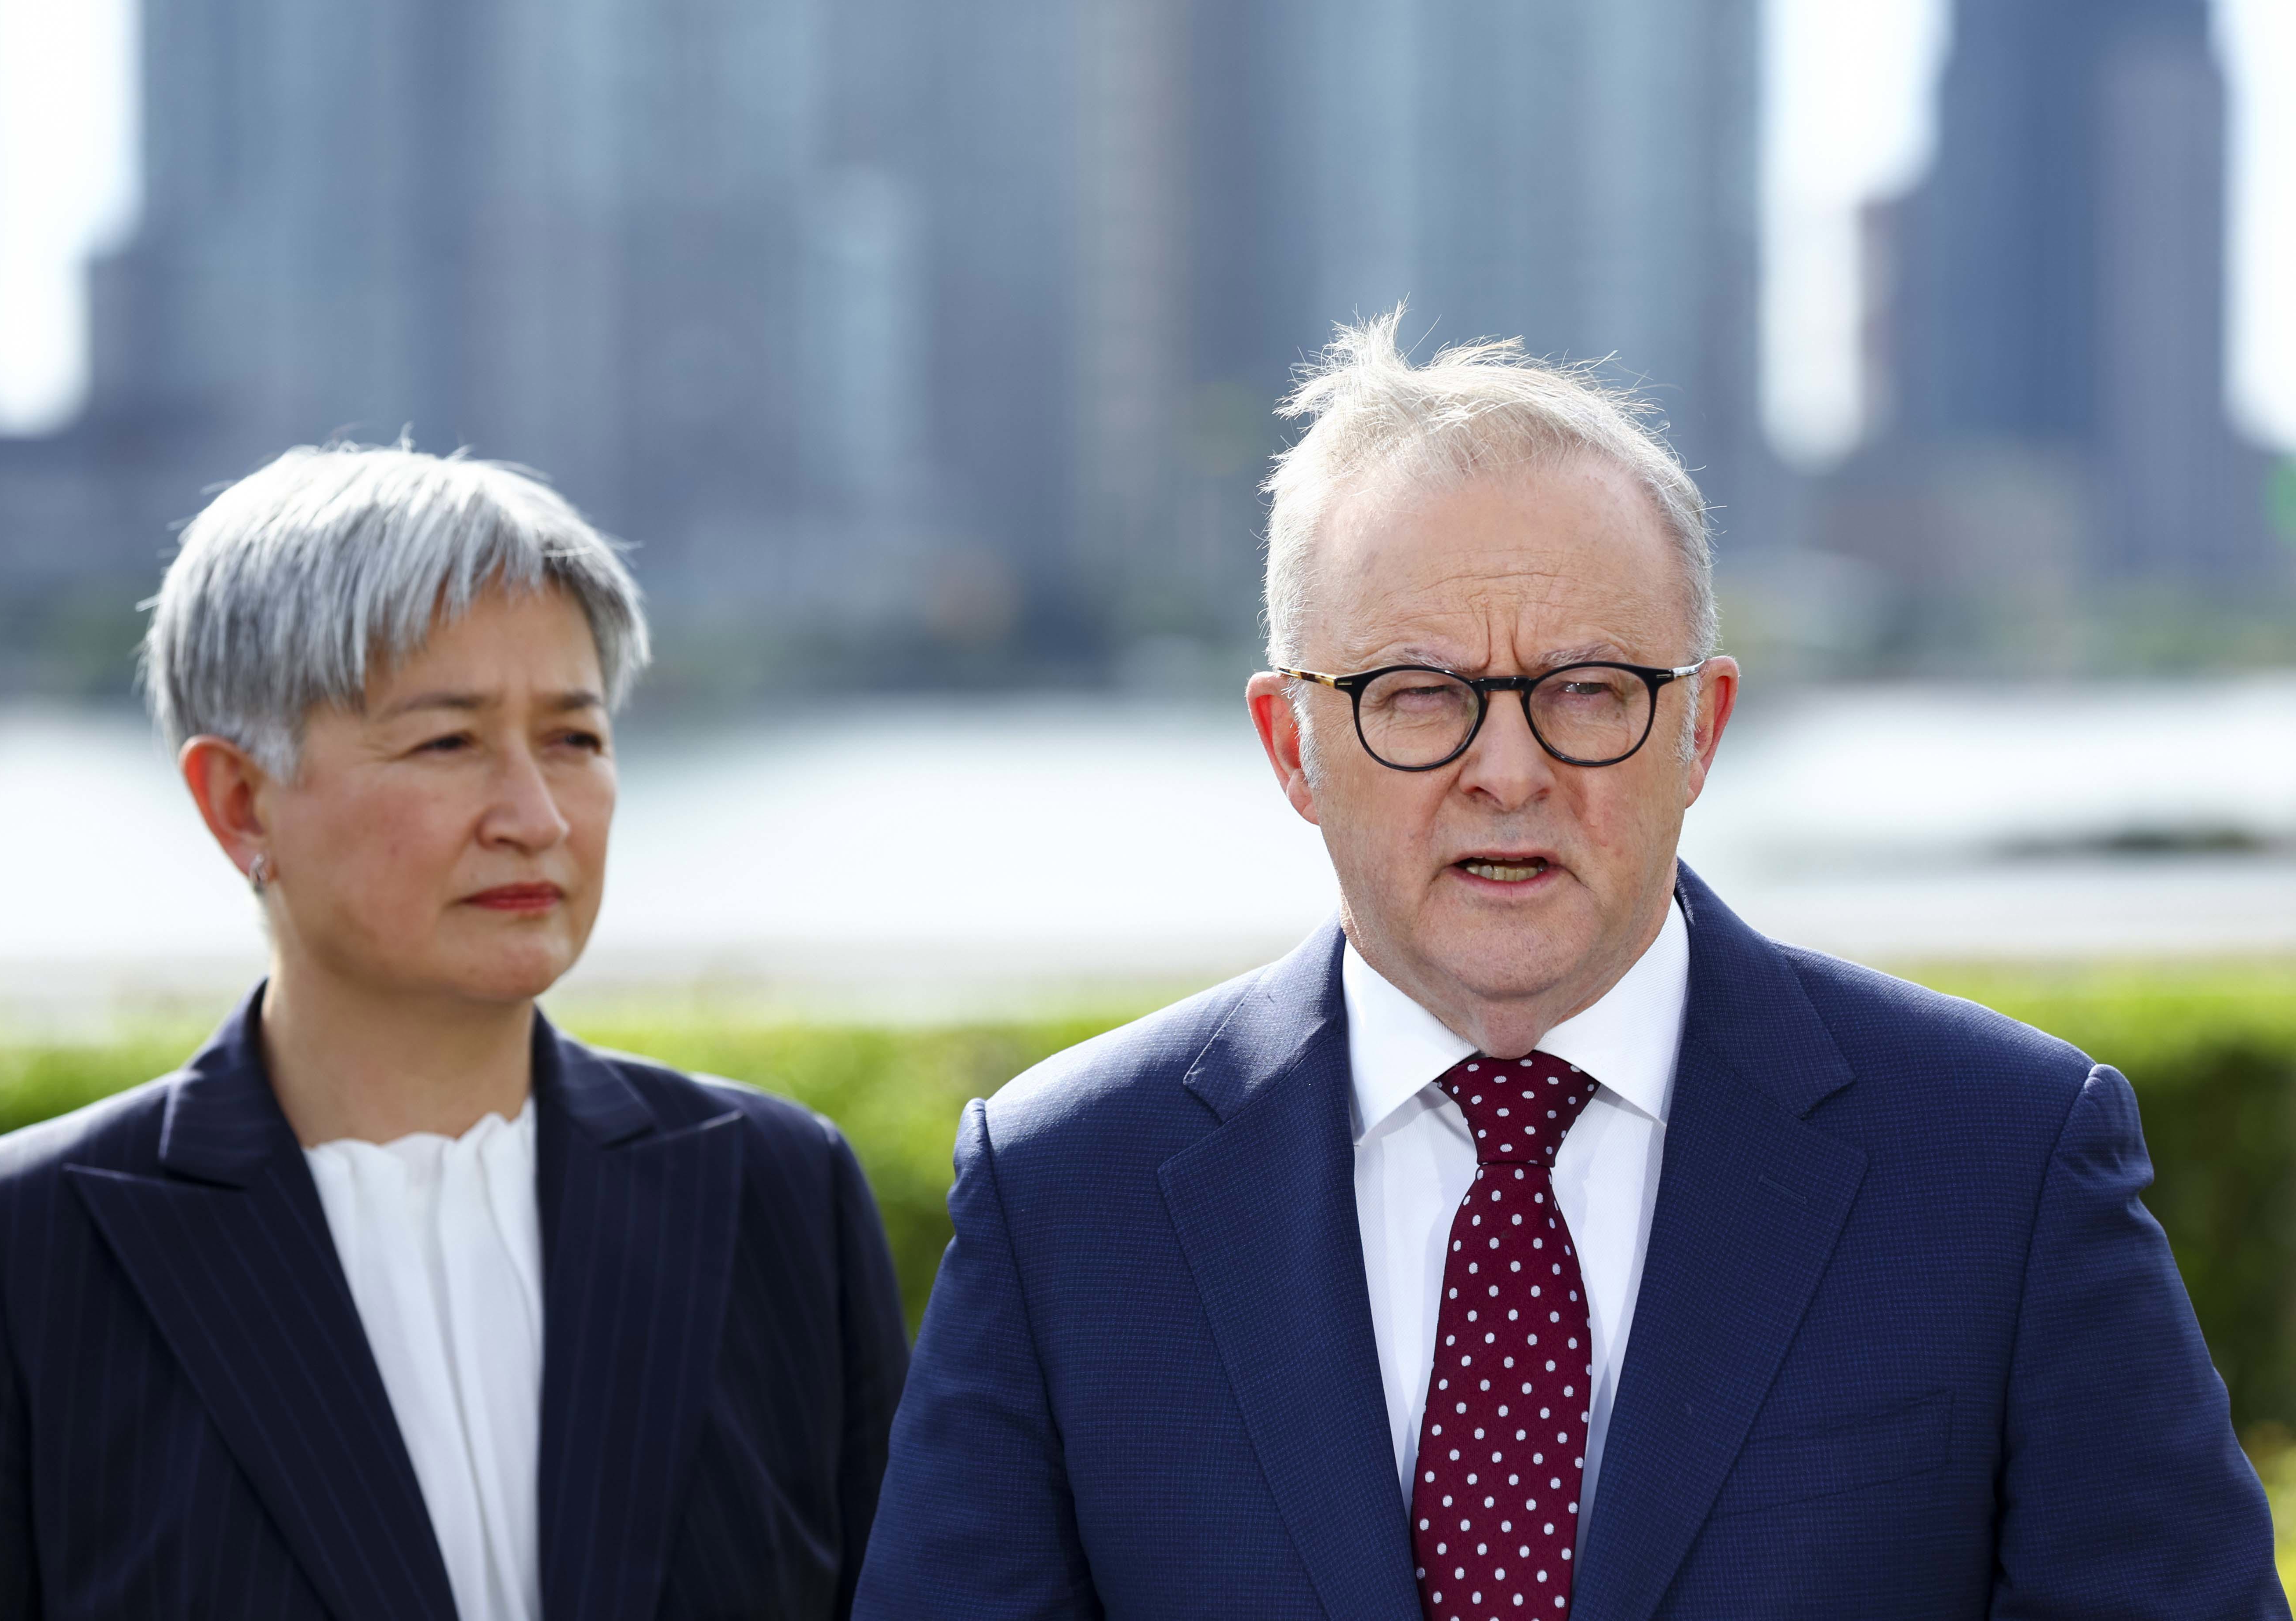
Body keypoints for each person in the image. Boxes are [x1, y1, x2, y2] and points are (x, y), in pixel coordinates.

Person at [855, 315, 2287, 1620]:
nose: (1507, 769)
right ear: (1292, 743)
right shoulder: (1066, 1197)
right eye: (1416, 695)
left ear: (1702, 730)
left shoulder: (2003, 1163)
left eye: (1588, 690)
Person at [0, 444, 908, 1619]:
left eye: (574, 736)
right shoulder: (19, 1249)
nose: (536, 814)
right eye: (448, 741)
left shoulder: (777, 1188)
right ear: (240, 801)